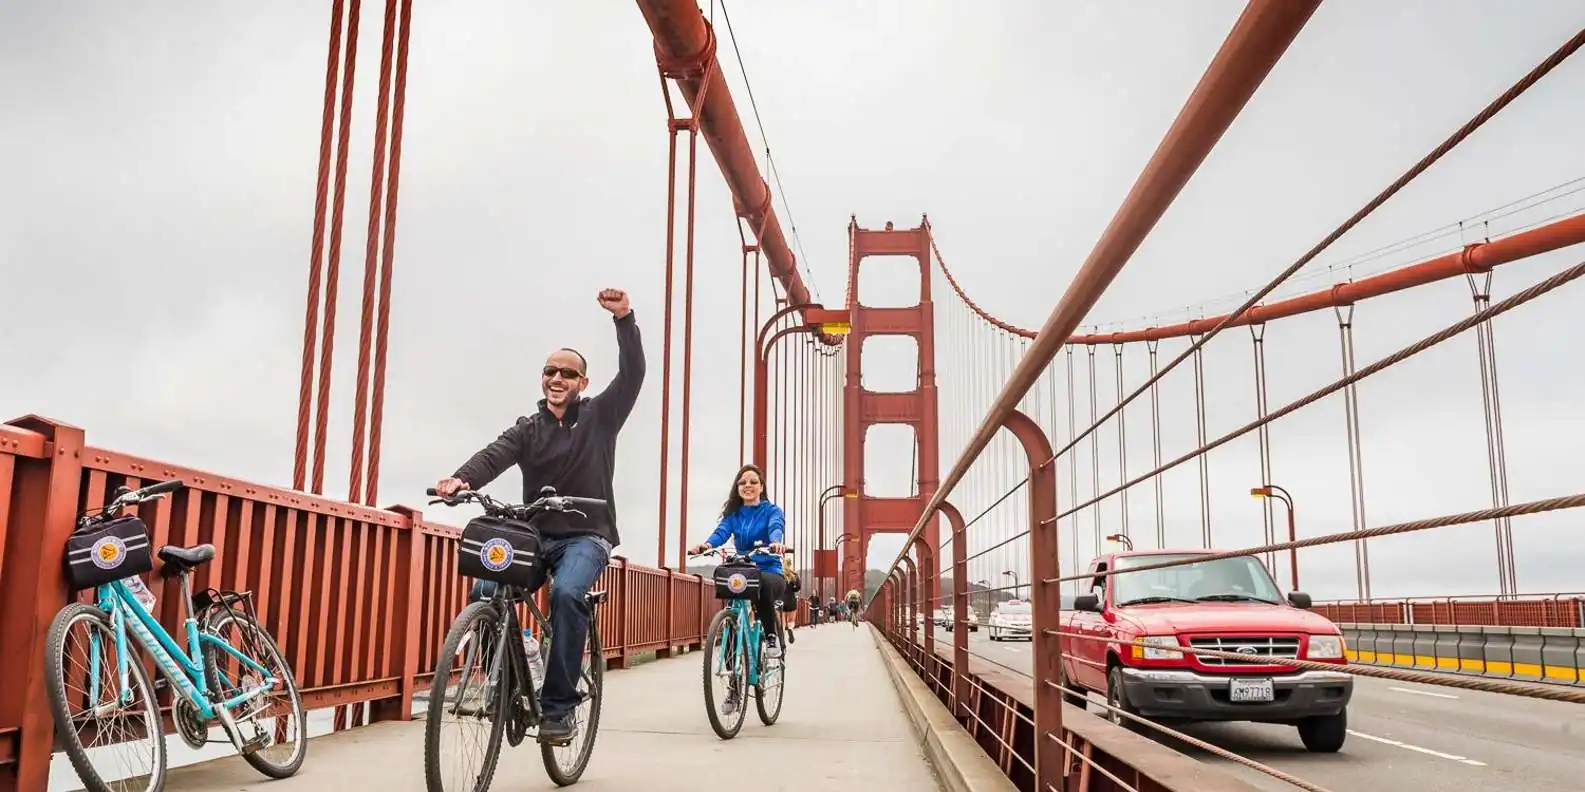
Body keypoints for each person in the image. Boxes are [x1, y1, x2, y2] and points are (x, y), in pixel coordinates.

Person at [435, 287, 644, 745]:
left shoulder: (602, 416)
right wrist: (461, 480)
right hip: (535, 535)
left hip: (586, 535)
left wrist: (624, 319)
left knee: (568, 594)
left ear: (582, 383)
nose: (556, 378)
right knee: (485, 587)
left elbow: (633, 375)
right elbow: (494, 455)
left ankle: (559, 708)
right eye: (549, 371)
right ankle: (503, 677)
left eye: (567, 373)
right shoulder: (527, 428)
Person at [689, 464, 788, 661]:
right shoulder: (734, 515)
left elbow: (776, 526)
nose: (747, 485)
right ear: (737, 488)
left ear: (761, 486)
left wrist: (776, 542)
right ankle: (731, 665)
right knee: (732, 592)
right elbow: (722, 532)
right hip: (745, 571)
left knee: (763, 585)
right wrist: (706, 545)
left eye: (753, 482)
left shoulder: (771, 510)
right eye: (742, 482)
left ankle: (770, 636)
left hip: (770, 570)